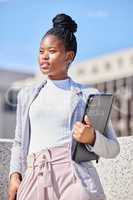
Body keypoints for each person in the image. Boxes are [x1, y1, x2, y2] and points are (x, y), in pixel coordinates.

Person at [8, 13, 120, 200]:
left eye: (51, 51)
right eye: (41, 51)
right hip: (34, 177)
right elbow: (19, 142)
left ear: (69, 56)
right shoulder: (26, 95)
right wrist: (14, 176)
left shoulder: (89, 95)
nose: (44, 57)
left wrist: (92, 137)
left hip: (75, 178)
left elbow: (113, 148)